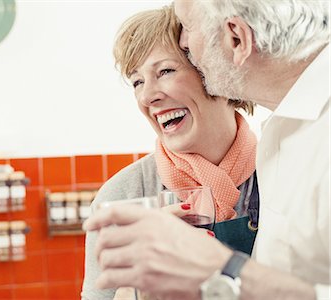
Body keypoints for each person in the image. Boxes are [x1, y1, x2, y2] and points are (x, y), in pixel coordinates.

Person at [84, 0, 330, 299]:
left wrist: (225, 269)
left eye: (165, 71)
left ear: (208, 72)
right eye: (136, 81)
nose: (147, 95)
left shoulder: (279, 157)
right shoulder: (123, 195)